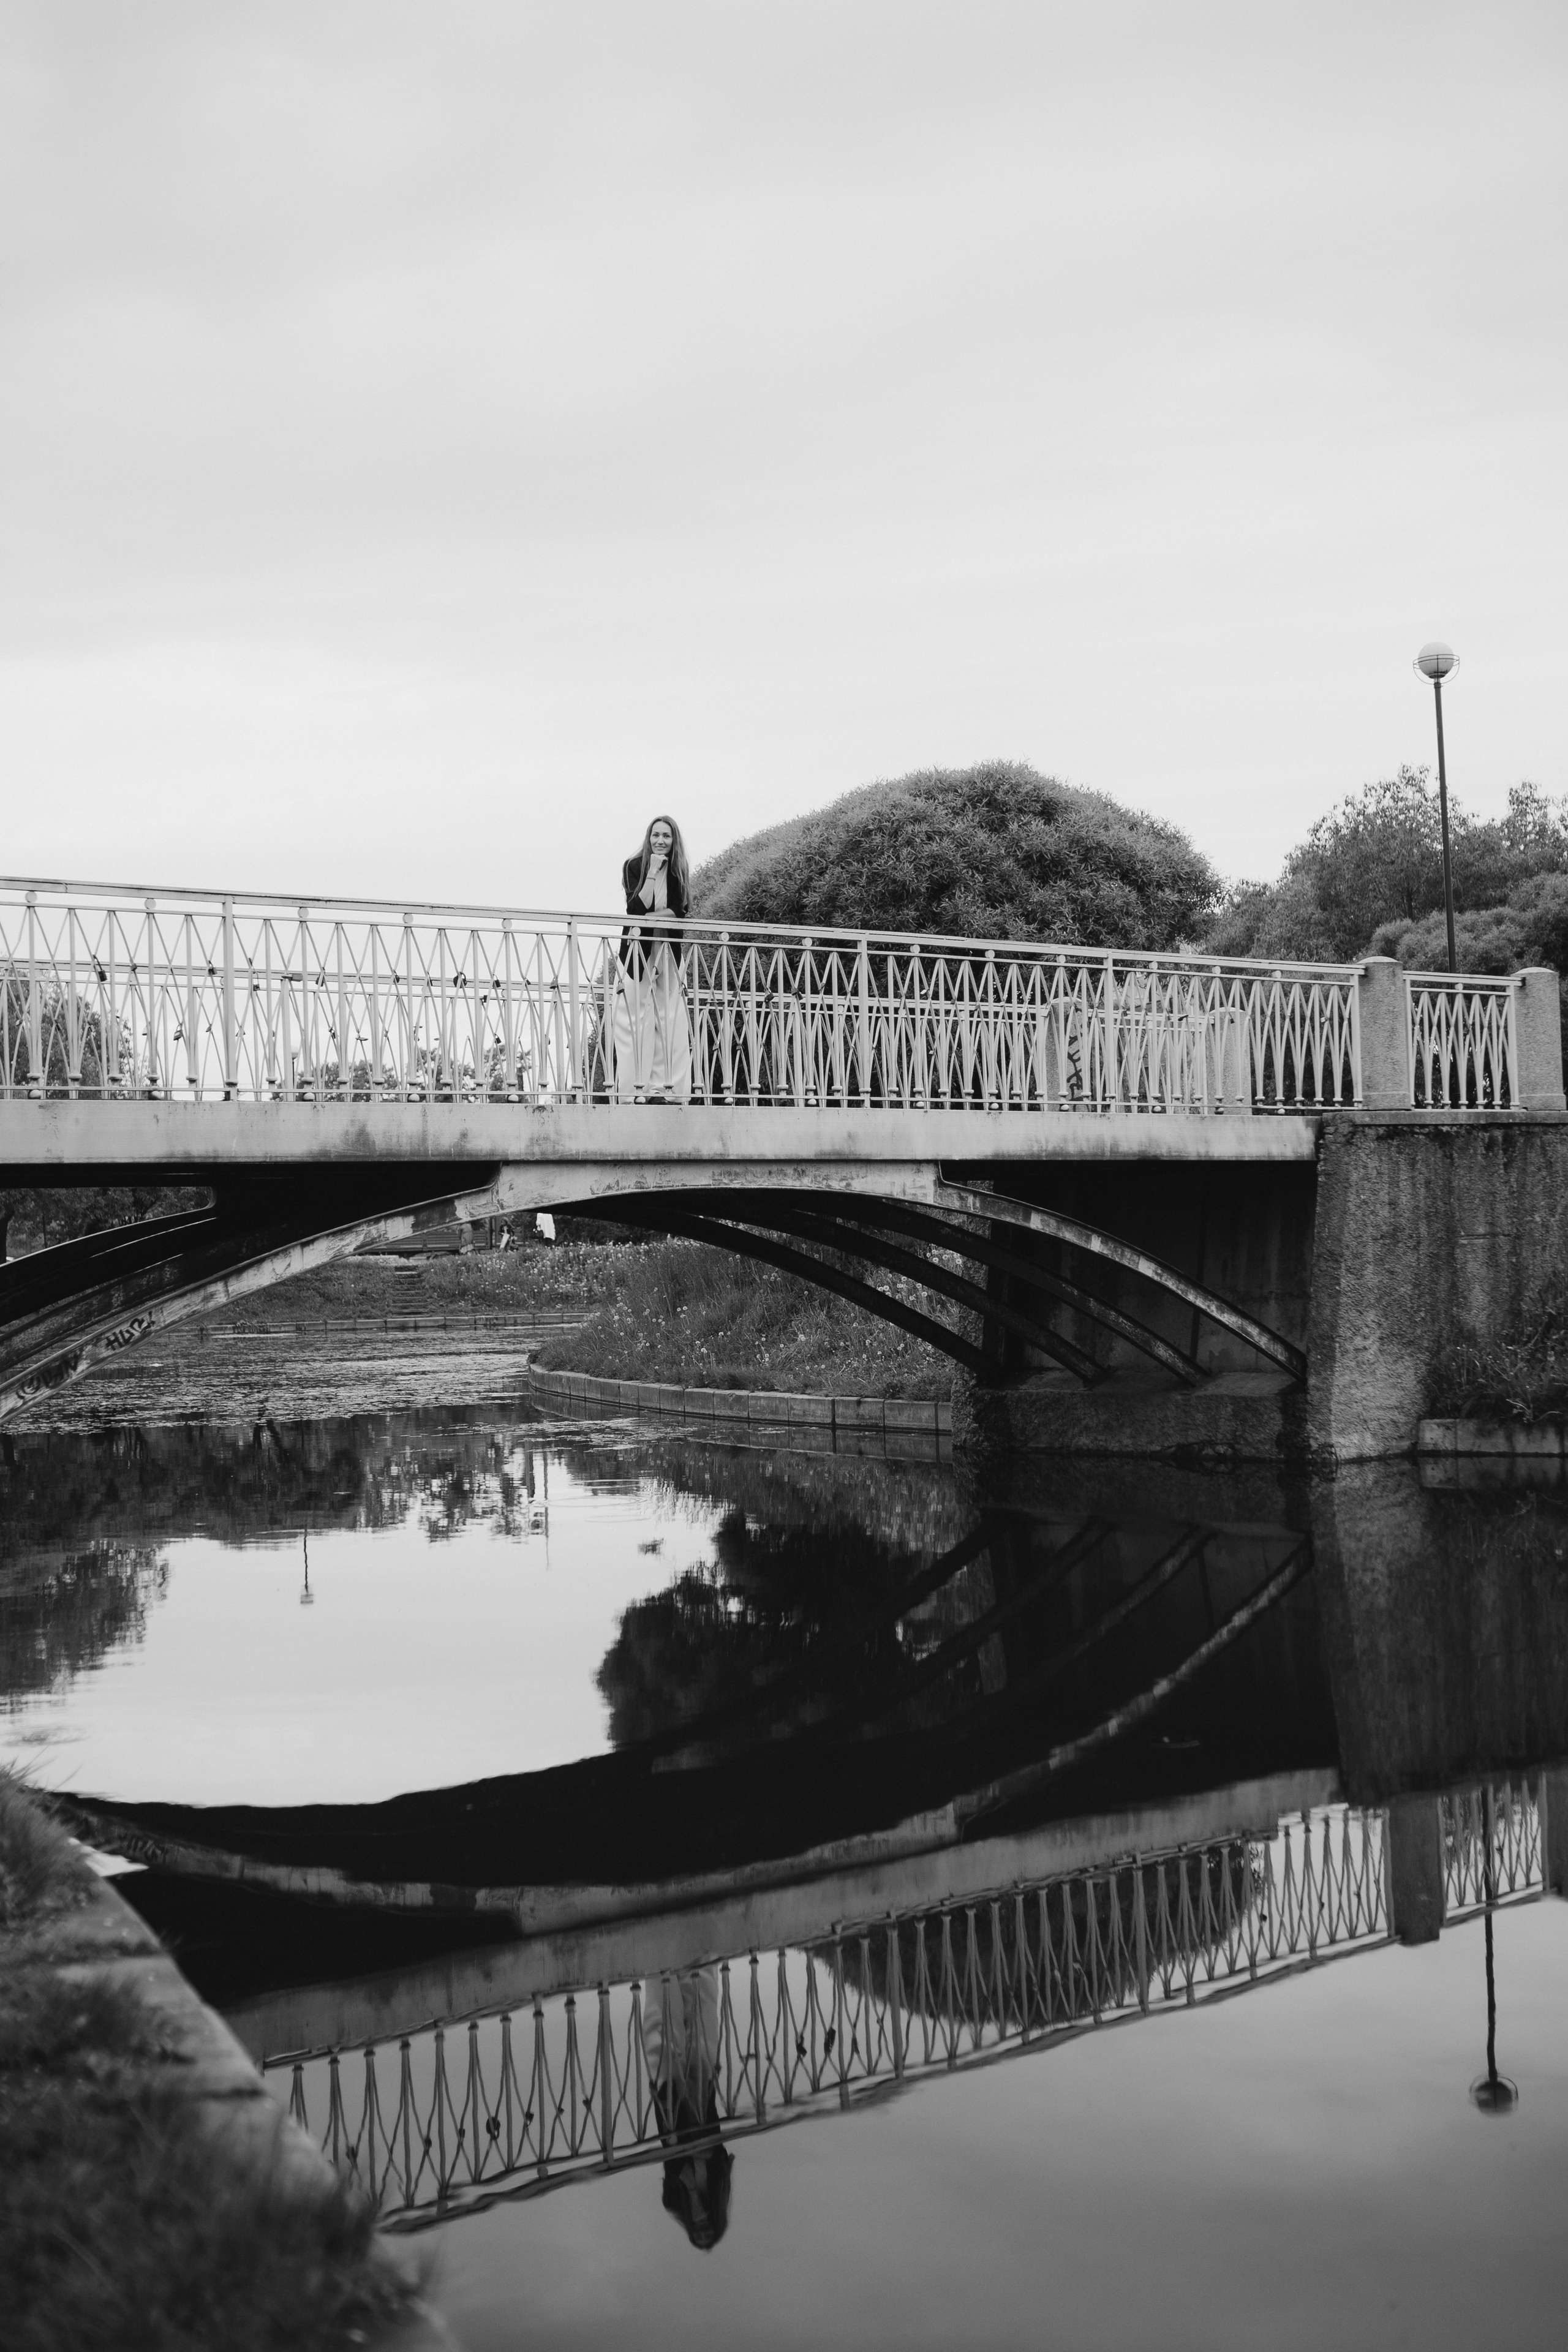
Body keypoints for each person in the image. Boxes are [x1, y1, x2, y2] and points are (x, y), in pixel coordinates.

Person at [640, 1965, 733, 2251]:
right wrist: (697, 2157)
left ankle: (658, 1961)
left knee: (662, 2024)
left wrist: (693, 2190)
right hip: (701, 2099)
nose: (703, 2227)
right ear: (717, 2222)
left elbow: (678, 2164)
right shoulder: (719, 2187)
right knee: (703, 2014)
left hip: (669, 2103)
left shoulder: (673, 2201)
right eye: (710, 2230)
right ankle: (700, 1956)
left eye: (699, 2233)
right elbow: (714, 2150)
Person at [611, 816, 693, 1103]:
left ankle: (667, 1092)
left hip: (668, 950)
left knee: (670, 1018)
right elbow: (636, 907)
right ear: (648, 838)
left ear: (674, 840)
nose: (661, 841)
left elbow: (680, 911)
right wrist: (653, 872)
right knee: (635, 1019)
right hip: (638, 951)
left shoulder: (680, 869)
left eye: (667, 836)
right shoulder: (634, 866)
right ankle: (635, 1091)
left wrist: (648, 916)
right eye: (656, 835)